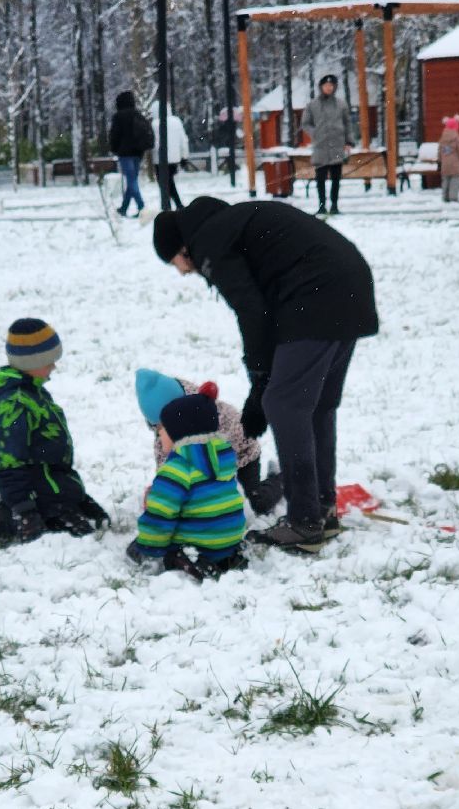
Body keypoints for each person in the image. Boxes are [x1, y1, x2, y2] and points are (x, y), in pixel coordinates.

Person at [152, 197, 378, 552]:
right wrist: (261, 379)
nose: (182, 272)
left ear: (183, 248)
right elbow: (264, 307)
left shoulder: (209, 241)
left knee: (284, 405)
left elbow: (251, 310)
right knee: (316, 405)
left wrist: (260, 380)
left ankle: (304, 522)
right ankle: (321, 508)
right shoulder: (231, 224)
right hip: (349, 284)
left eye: (175, 263)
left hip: (316, 292)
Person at [0, 318, 110, 545]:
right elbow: (8, 463)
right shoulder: (13, 404)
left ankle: (65, 504)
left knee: (93, 525)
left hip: (53, 486)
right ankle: (6, 515)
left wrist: (78, 497)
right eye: (49, 362)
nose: (53, 367)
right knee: (75, 539)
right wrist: (24, 510)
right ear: (31, 362)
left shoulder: (33, 392)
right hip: (34, 494)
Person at [126, 393, 248, 578]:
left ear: (179, 432)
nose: (159, 434)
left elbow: (161, 514)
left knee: (142, 547)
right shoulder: (223, 458)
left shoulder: (178, 467)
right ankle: (226, 557)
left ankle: (188, 558)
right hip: (230, 538)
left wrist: (148, 548)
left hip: (198, 542)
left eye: (162, 429)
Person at [134, 369, 284, 514]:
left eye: (166, 425)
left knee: (259, 503)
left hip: (243, 454)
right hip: (206, 462)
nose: (163, 433)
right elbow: (165, 461)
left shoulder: (215, 417)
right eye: (159, 427)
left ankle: (281, 478)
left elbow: (217, 461)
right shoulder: (164, 433)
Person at [301, 74, 350, 216]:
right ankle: (321, 206)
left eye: (331, 85)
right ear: (321, 87)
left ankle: (334, 206)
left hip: (337, 146)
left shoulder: (341, 104)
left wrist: (348, 142)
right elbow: (305, 123)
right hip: (320, 148)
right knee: (320, 179)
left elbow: (347, 124)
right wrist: (315, 133)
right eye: (326, 85)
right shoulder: (312, 105)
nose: (329, 88)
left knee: (336, 178)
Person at [109, 92, 154, 217]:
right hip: (138, 153)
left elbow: (115, 135)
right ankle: (124, 207)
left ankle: (142, 207)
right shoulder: (138, 114)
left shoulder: (118, 116)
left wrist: (114, 148)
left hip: (125, 153)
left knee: (131, 180)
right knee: (132, 180)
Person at [151, 102, 189, 211]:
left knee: (165, 183)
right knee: (169, 181)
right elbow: (183, 140)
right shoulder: (176, 122)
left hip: (159, 159)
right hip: (174, 158)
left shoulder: (154, 124)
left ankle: (172, 205)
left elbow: (154, 143)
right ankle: (177, 204)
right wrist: (184, 156)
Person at [436, 115, 459, 203]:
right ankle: (453, 198)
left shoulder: (442, 139)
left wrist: (439, 161)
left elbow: (439, 152)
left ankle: (445, 197)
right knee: (454, 181)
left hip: (445, 165)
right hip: (455, 164)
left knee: (446, 180)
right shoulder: (457, 139)